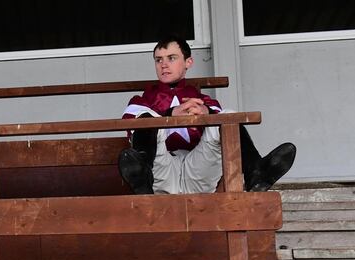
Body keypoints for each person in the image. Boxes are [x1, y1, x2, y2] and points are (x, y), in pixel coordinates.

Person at [118, 35, 296, 194]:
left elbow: (218, 128)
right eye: (158, 60)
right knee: (144, 117)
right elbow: (130, 122)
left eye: (171, 58)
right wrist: (170, 115)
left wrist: (207, 114)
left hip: (197, 172)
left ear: (188, 62)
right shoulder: (142, 100)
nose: (163, 64)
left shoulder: (203, 101)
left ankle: (256, 173)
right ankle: (140, 178)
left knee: (227, 117)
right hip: (160, 173)